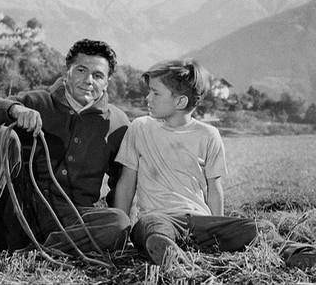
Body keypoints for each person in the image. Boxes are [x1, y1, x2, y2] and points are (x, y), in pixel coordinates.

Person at [114, 59, 316, 270]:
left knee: (260, 227)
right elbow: (127, 182)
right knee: (149, 226)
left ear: (180, 102)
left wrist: (216, 225)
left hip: (200, 220)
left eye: (156, 93)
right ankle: (168, 252)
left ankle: (296, 252)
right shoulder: (140, 128)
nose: (148, 98)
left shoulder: (209, 135)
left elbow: (214, 188)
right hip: (161, 219)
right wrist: (120, 234)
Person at [0, 39, 131, 255]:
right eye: (81, 70)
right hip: (17, 215)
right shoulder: (34, 101)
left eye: (98, 75)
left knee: (119, 222)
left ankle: (35, 254)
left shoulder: (118, 122)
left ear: (107, 81)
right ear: (68, 71)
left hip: (71, 223)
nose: (88, 80)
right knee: (2, 134)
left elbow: (123, 179)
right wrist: (14, 110)